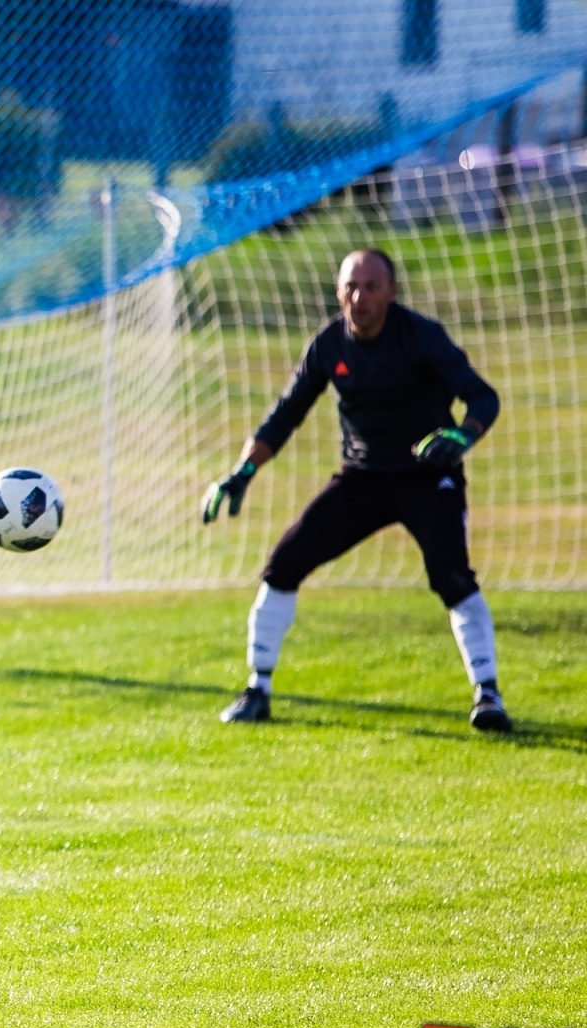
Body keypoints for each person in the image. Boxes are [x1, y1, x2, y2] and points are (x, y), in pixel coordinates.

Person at [201, 248, 509, 732]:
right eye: (351, 286)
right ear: (338, 291)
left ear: (392, 292)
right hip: (362, 477)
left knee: (451, 576)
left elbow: (483, 397)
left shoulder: (421, 337)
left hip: (428, 477)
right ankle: (257, 690)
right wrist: (242, 471)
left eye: (371, 287)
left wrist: (462, 435)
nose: (359, 297)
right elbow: (285, 414)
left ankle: (488, 696)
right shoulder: (329, 345)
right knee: (284, 563)